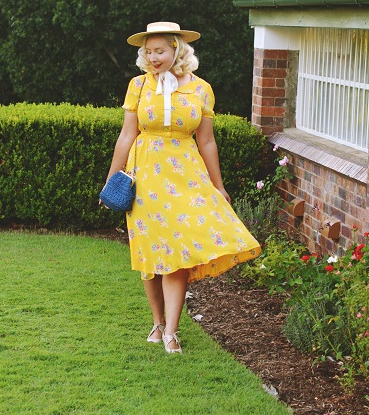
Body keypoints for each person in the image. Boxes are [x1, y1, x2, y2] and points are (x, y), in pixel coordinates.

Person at [103, 21, 261, 353]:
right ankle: (158, 323)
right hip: (145, 175)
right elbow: (127, 135)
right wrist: (111, 179)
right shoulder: (138, 85)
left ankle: (172, 331)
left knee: (179, 252)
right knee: (150, 254)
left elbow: (207, 142)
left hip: (187, 177)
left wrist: (218, 186)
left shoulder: (201, 89)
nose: (153, 57)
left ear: (177, 49)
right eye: (148, 51)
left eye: (159, 51)